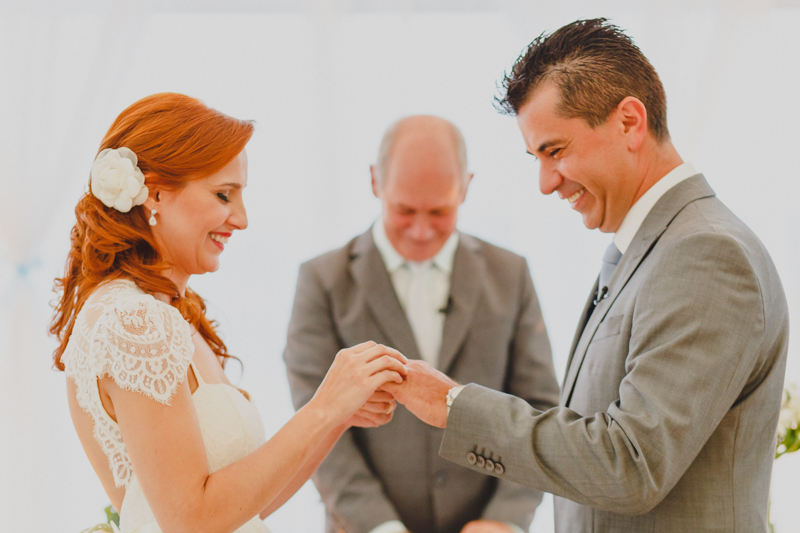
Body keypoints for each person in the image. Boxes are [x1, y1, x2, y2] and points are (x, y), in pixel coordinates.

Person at [383, 19, 790, 533]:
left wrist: (452, 405)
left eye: (554, 151)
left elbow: (630, 464)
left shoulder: (705, 253)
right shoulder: (652, 247)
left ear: (629, 122)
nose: (545, 182)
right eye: (536, 158)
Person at [50, 93, 407, 533]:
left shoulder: (169, 314)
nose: (240, 219)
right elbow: (191, 520)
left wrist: (333, 417)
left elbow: (247, 506)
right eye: (223, 195)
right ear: (156, 192)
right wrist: (323, 407)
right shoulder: (135, 323)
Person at [283, 115, 559, 533]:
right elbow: (315, 418)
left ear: (465, 187)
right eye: (405, 209)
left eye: (440, 211)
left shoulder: (510, 274)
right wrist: (381, 526)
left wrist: (505, 518)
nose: (421, 230)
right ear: (376, 182)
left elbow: (537, 404)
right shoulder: (322, 281)